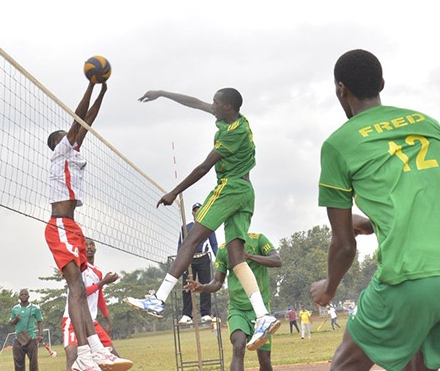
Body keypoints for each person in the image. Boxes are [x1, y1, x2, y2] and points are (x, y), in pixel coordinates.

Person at [311, 49, 440, 371]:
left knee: (345, 366)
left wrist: (328, 288)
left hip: (412, 277)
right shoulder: (428, 124)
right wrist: (374, 223)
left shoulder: (339, 144)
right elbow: (426, 192)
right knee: (416, 364)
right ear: (382, 82)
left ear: (341, 89)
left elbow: (343, 246)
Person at [127, 89, 279, 350]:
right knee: (236, 258)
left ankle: (159, 298)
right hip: (245, 192)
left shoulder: (234, 132)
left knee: (191, 240)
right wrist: (162, 94)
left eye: (217, 103)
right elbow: (195, 103)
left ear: (228, 107)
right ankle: (263, 315)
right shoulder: (235, 119)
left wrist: (174, 192)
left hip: (229, 189)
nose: (212, 105)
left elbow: (203, 167)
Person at [44, 80, 132, 371]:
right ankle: (84, 352)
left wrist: (104, 92)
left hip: (72, 227)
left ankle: (94, 349)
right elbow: (79, 120)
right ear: (59, 143)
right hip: (59, 226)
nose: (74, 138)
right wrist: (90, 86)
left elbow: (86, 123)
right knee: (77, 289)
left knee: (79, 289)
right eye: (68, 136)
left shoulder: (72, 152)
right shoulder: (60, 152)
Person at [185, 232, 281, 371]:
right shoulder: (224, 250)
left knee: (265, 360)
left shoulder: (258, 239)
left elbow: (277, 260)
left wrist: (249, 257)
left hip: (260, 309)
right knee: (238, 345)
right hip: (238, 309)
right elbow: (218, 281)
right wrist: (203, 287)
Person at [63, 239, 125, 371]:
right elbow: (81, 293)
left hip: (92, 322)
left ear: (95, 249)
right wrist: (103, 282)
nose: (89, 247)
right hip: (74, 320)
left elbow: (99, 296)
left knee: (115, 360)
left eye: (92, 245)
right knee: (73, 358)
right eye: (86, 245)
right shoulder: (77, 268)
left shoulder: (97, 272)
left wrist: (107, 318)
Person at [178, 202, 219, 325]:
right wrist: (180, 261)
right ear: (192, 213)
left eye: (199, 210)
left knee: (205, 284)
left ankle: (205, 313)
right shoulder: (186, 227)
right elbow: (180, 245)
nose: (197, 212)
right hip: (189, 260)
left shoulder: (209, 226)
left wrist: (219, 259)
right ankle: (186, 314)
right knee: (187, 286)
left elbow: (214, 244)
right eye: (195, 210)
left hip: (203, 258)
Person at [10, 288, 44, 371]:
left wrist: (40, 334)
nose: (24, 296)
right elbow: (11, 323)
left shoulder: (35, 308)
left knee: (33, 364)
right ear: (19, 296)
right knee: (18, 364)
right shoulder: (15, 309)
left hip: (31, 338)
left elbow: (40, 321)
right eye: (22, 294)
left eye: (25, 294)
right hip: (18, 338)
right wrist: (16, 319)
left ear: (28, 296)